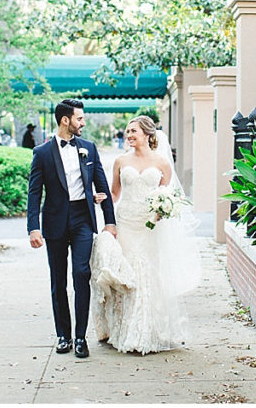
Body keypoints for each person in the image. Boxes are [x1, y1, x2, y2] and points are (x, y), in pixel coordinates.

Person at [89, 115, 201, 354]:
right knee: (128, 274)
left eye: (133, 131)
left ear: (148, 135)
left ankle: (150, 329)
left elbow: (168, 195)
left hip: (150, 225)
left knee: (149, 273)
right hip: (127, 222)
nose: (128, 135)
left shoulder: (162, 163)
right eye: (127, 131)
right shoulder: (120, 161)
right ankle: (124, 329)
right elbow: (115, 194)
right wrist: (102, 198)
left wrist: (164, 209)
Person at [27, 98, 116, 359]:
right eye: (79, 118)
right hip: (54, 222)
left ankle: (80, 337)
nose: (83, 122)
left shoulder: (89, 148)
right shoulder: (42, 153)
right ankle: (63, 335)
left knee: (81, 273)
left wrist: (109, 221)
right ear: (65, 120)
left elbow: (102, 187)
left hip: (82, 220)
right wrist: (33, 227)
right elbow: (34, 193)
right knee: (58, 281)